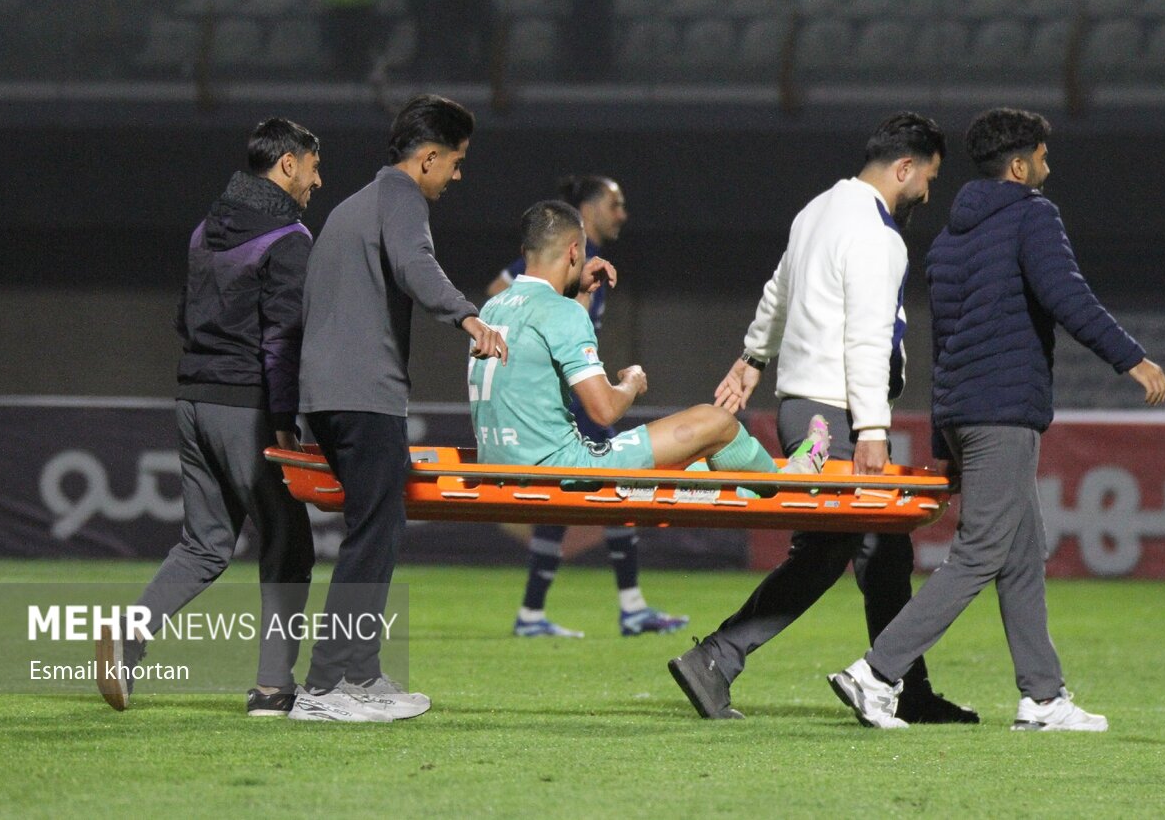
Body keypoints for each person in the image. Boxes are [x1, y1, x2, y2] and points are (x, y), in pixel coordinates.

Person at [828, 108, 1165, 731]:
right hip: (1003, 411)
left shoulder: (949, 239)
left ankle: (1042, 697)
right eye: (1041, 156)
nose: (1047, 167)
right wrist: (1132, 358)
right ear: (1018, 166)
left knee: (1021, 551)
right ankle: (876, 673)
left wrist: (944, 435)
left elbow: (944, 342)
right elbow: (1067, 295)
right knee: (981, 550)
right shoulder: (1032, 215)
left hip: (965, 411)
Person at [669, 112, 978, 724]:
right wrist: (873, 430)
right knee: (826, 550)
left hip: (805, 408)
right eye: (929, 178)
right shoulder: (877, 235)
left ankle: (904, 687)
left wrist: (753, 357)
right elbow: (867, 338)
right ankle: (717, 658)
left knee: (884, 551)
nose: (926, 193)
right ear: (905, 167)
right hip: (834, 415)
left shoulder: (815, 212)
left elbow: (777, 291)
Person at [94, 118, 323, 716]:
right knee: (288, 546)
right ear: (288, 165)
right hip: (246, 408)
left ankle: (130, 634)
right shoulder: (289, 238)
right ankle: (272, 689)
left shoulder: (205, 229)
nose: (317, 181)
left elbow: (184, 316)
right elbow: (283, 340)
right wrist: (283, 417)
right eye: (313, 167)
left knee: (204, 543)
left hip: (193, 399)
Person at [293, 94, 508, 723]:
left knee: (377, 529)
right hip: (364, 394)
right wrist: (468, 316)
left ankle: (359, 674)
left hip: (329, 393)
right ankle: (325, 687)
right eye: (457, 162)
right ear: (429, 158)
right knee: (373, 535)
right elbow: (417, 264)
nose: (457, 176)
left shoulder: (356, 205)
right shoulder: (402, 198)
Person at [468, 200, 829, 537]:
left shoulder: (493, 308)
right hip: (562, 470)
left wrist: (578, 292)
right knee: (716, 421)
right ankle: (789, 484)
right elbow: (604, 410)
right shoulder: (562, 313)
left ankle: (768, 482)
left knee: (693, 466)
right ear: (575, 251)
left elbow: (542, 337)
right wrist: (631, 382)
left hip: (500, 469)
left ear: (525, 252)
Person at [488, 177, 683, 638]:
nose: (622, 214)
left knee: (580, 500)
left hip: (572, 393)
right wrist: (626, 385)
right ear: (589, 210)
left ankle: (544, 612)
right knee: (611, 488)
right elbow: (500, 289)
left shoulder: (583, 266)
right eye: (615, 204)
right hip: (568, 404)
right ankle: (621, 609)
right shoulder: (559, 252)